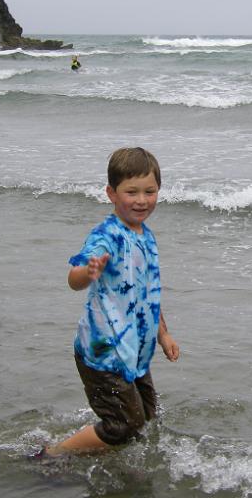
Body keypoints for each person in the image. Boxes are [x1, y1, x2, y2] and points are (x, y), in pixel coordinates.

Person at [33, 147, 180, 458]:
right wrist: (87, 271)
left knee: (147, 418)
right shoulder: (107, 236)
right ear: (112, 193)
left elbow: (147, 293)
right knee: (124, 426)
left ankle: (109, 455)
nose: (142, 200)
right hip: (103, 353)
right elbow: (74, 279)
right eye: (132, 192)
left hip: (134, 351)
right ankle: (54, 454)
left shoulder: (146, 236)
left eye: (149, 191)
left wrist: (163, 334)